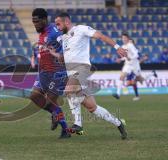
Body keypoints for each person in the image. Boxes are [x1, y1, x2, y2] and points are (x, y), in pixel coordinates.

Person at [53, 12, 128, 139]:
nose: (57, 27)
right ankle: (118, 123)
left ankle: (78, 124)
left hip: (82, 68)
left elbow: (100, 36)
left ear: (67, 22)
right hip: (71, 72)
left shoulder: (81, 29)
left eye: (58, 24)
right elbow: (64, 57)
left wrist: (117, 47)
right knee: (92, 107)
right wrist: (53, 54)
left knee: (69, 91)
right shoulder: (63, 38)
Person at [30, 8, 71, 138]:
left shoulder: (54, 31)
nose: (35, 24)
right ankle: (55, 115)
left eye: (37, 21)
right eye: (33, 22)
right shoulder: (42, 33)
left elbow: (66, 46)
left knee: (49, 103)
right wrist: (34, 56)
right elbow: (42, 48)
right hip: (44, 72)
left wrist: (62, 56)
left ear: (44, 19)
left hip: (57, 73)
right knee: (34, 96)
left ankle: (65, 130)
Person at [113, 34, 157, 101]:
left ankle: (152, 73)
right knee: (121, 76)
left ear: (127, 38)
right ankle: (118, 94)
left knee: (141, 79)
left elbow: (136, 55)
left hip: (135, 65)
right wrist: (120, 59)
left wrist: (130, 58)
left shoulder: (131, 45)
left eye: (125, 38)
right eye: (122, 38)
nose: (123, 39)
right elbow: (125, 56)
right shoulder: (123, 46)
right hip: (127, 65)